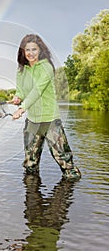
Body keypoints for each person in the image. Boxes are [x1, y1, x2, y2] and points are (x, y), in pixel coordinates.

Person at [12, 34, 81, 180]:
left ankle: (72, 199)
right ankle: (32, 200)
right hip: (32, 122)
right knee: (30, 166)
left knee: (66, 165)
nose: (30, 53)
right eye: (27, 50)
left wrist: (21, 108)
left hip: (50, 121)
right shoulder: (21, 70)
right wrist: (18, 98)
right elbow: (22, 91)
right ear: (22, 52)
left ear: (40, 50)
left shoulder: (47, 67)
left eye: (34, 49)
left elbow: (37, 91)